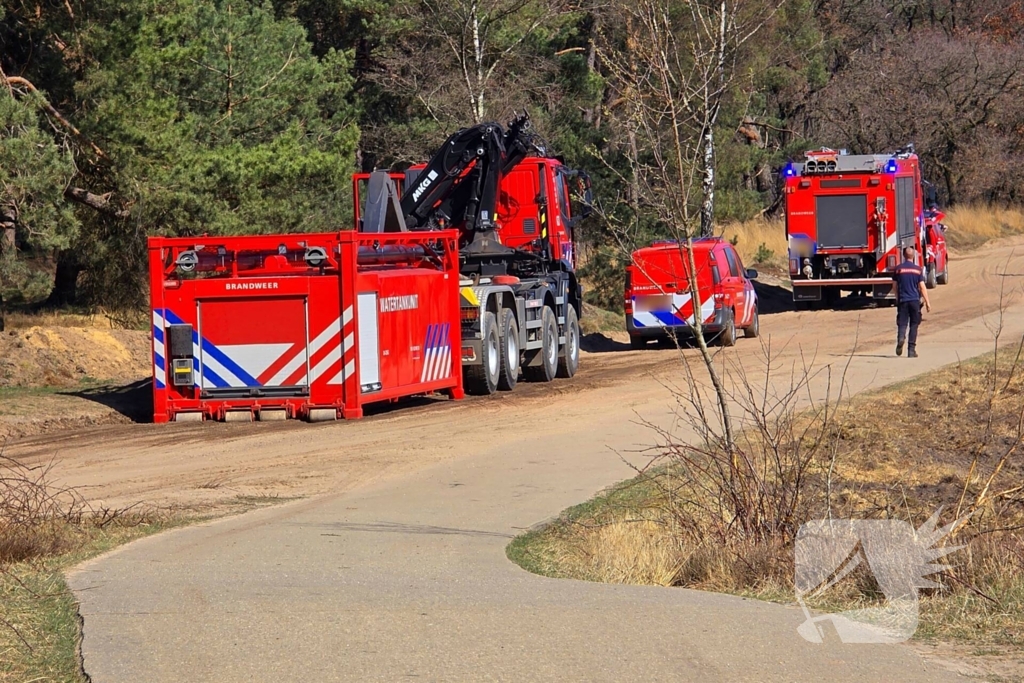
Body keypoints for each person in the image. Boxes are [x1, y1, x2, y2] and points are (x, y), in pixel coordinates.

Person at [892, 246, 932, 357]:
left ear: (904, 256)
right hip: (914, 301)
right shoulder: (917, 270)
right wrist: (927, 302)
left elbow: (894, 286)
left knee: (902, 323)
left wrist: (897, 297)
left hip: (903, 300)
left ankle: (900, 338)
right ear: (913, 255)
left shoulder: (898, 269)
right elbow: (922, 287)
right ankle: (911, 350)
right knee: (914, 325)